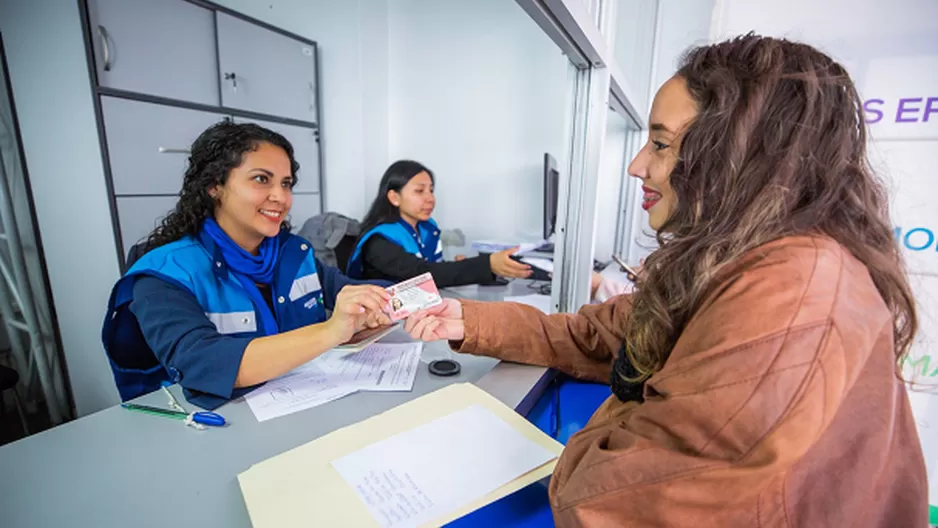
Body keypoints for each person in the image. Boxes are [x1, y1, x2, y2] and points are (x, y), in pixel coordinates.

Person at [404, 35, 927, 525]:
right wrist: (468, 319)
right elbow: (605, 335)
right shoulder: (740, 261)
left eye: (659, 144)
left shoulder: (793, 292)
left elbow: (604, 499)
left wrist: (613, 414)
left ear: (740, 156)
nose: (637, 166)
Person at [102, 122, 391, 409]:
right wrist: (331, 331)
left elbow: (351, 291)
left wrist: (415, 301)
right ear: (215, 186)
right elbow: (202, 363)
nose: (281, 197)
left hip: (307, 406)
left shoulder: (293, 252)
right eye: (262, 179)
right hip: (212, 426)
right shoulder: (164, 274)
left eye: (286, 184)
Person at [346, 160, 533, 287]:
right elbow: (422, 275)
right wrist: (484, 265)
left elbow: (432, 267)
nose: (430, 199)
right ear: (394, 197)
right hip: (385, 323)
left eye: (431, 190)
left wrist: (472, 267)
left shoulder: (426, 228)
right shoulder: (380, 241)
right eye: (419, 191)